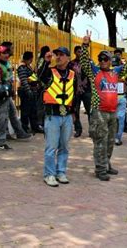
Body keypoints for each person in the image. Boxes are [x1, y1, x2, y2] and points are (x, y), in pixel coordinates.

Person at [80, 34, 127, 181]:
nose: (102, 61)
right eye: (100, 59)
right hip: (99, 112)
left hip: (112, 112)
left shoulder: (116, 72)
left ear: (110, 61)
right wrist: (85, 46)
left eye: (105, 59)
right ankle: (100, 169)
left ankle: (106, 164)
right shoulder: (94, 71)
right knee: (100, 142)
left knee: (109, 141)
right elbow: (83, 61)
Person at [38, 47, 77, 187]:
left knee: (64, 146)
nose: (58, 57)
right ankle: (49, 174)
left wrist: (74, 114)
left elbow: (76, 95)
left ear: (68, 57)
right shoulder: (50, 72)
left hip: (66, 115)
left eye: (61, 55)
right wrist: (45, 62)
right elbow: (39, 77)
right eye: (57, 55)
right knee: (51, 147)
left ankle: (61, 172)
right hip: (52, 115)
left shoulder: (72, 74)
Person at [0, 45, 31, 150]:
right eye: (4, 53)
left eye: (8, 53)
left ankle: (1, 141)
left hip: (7, 94)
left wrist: (11, 90)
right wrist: (6, 90)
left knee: (6, 118)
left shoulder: (7, 64)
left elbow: (10, 79)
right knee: (1, 119)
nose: (6, 55)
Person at [68, 46, 91, 138]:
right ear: (75, 52)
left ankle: (92, 130)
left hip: (87, 90)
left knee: (90, 111)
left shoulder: (89, 62)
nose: (80, 53)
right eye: (78, 51)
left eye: (82, 51)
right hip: (75, 91)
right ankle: (78, 129)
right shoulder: (71, 64)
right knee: (75, 111)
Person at [17, 51, 40, 134]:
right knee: (25, 111)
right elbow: (24, 80)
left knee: (33, 110)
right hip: (25, 91)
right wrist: (28, 91)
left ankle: (34, 127)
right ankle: (24, 128)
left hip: (31, 91)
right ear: (30, 58)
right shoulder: (22, 67)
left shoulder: (27, 66)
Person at [35, 46, 51, 132]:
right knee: (40, 106)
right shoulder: (42, 60)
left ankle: (43, 123)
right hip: (42, 86)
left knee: (45, 106)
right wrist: (46, 62)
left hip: (45, 86)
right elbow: (40, 73)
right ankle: (39, 124)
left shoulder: (44, 60)